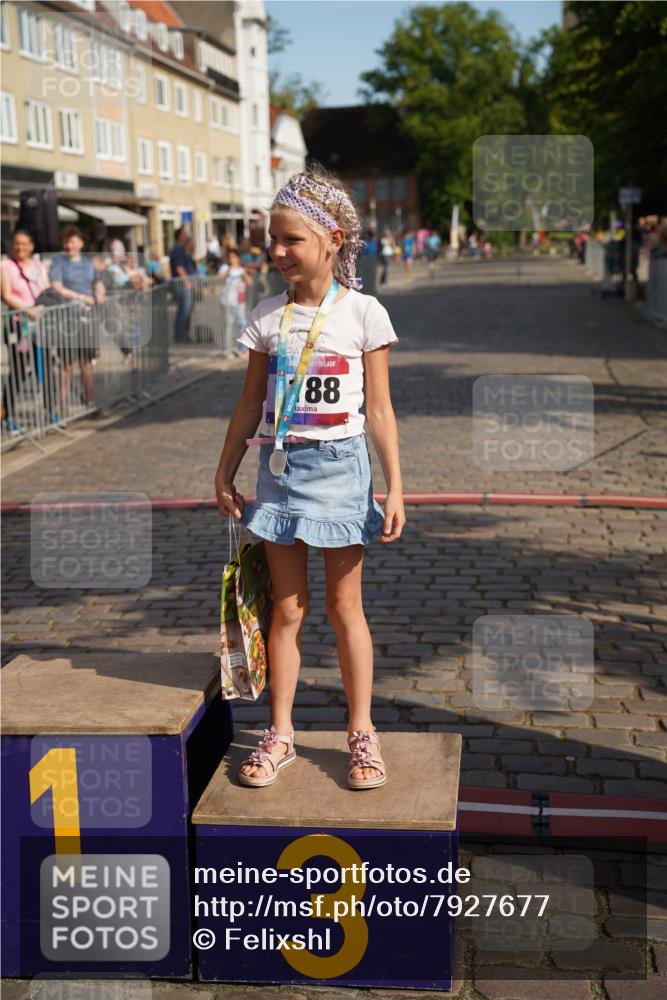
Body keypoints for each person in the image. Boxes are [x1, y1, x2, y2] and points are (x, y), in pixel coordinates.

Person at [214, 166, 406, 790]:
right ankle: (282, 732)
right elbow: (249, 404)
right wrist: (224, 470)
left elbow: (378, 408)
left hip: (343, 470)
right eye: (272, 238)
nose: (277, 251)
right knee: (287, 611)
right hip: (281, 471)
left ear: (332, 239)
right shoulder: (268, 317)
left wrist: (394, 485)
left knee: (344, 607)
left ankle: (360, 731)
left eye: (291, 239)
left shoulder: (364, 313)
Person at [49, 226, 106, 417]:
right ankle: (62, 408)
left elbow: (97, 281)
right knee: (67, 365)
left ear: (80, 243)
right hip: (67, 318)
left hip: (86, 318)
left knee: (87, 363)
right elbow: (56, 286)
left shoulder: (88, 263)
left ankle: (91, 404)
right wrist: (81, 297)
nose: (69, 245)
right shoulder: (58, 262)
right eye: (66, 241)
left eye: (72, 241)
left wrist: (99, 292)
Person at [1, 229, 49, 433]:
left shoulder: (39, 266)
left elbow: (46, 291)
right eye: (17, 244)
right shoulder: (5, 266)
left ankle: (50, 410)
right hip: (18, 325)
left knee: (45, 369)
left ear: (31, 246)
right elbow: (6, 295)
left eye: (24, 243)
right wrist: (27, 310)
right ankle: (7, 415)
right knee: (18, 372)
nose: (20, 247)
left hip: (40, 323)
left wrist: (41, 308)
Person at [219, 248, 253, 356]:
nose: (232, 259)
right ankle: (226, 349)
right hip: (227, 302)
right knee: (228, 325)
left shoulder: (241, 269)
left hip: (239, 301)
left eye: (234, 257)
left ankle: (241, 348)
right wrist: (230, 270)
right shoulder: (225, 267)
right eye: (230, 257)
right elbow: (220, 277)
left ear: (238, 258)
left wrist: (244, 273)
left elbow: (250, 282)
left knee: (242, 324)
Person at [169, 226, 196, 342]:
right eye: (184, 234)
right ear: (179, 236)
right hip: (182, 286)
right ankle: (180, 335)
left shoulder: (182, 250)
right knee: (184, 311)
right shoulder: (177, 250)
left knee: (186, 310)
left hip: (184, 285)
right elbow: (179, 267)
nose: (187, 236)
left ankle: (183, 334)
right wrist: (187, 282)